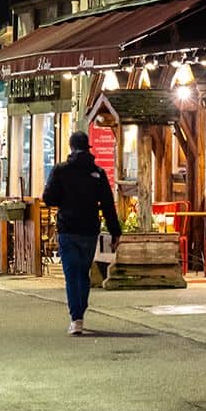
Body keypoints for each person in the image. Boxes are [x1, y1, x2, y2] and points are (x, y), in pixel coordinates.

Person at [43, 131, 122, 336]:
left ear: (71, 147)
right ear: (88, 147)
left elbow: (48, 198)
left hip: (68, 228)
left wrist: (64, 200)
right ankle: (80, 312)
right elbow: (108, 204)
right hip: (89, 230)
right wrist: (115, 232)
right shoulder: (97, 172)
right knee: (83, 272)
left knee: (71, 274)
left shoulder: (61, 170)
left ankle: (76, 318)